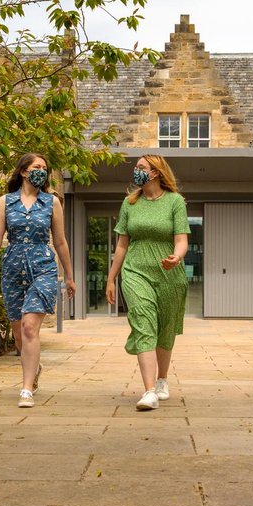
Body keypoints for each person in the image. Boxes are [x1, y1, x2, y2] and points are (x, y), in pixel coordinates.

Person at [0, 153, 76, 408]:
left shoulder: (52, 203)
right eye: (36, 167)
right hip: (13, 268)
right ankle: (35, 366)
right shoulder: (5, 202)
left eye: (44, 167)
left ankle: (26, 388)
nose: (41, 171)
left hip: (43, 267)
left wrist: (70, 276)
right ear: (23, 171)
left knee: (30, 327)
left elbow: (61, 241)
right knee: (20, 334)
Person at [105, 155, 189, 410]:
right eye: (136, 168)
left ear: (155, 172)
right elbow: (122, 244)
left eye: (142, 167)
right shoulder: (129, 203)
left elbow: (181, 239)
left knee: (164, 329)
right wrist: (111, 278)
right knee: (143, 322)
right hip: (135, 270)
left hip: (169, 274)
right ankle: (149, 390)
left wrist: (177, 257)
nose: (136, 171)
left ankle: (162, 380)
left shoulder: (175, 202)